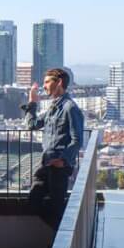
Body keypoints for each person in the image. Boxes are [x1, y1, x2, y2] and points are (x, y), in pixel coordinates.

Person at [33, 67, 85, 229]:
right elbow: (32, 125)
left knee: (56, 208)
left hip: (58, 167)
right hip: (46, 164)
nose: (45, 86)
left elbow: (77, 140)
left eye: (48, 82)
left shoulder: (70, 108)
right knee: (34, 202)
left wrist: (63, 160)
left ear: (59, 82)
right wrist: (32, 103)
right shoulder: (53, 107)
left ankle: (59, 243)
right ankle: (61, 235)